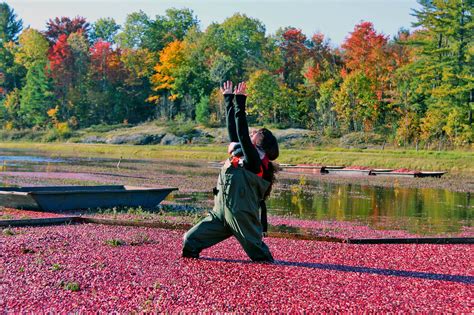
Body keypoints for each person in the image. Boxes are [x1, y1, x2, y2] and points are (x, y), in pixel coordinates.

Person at [182, 81, 279, 262]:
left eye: (255, 135)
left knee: (262, 258)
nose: (251, 134)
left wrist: (240, 101)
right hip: (220, 215)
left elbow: (241, 134)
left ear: (260, 145)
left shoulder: (254, 162)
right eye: (252, 133)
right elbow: (234, 133)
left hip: (242, 218)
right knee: (190, 240)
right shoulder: (240, 155)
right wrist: (228, 99)